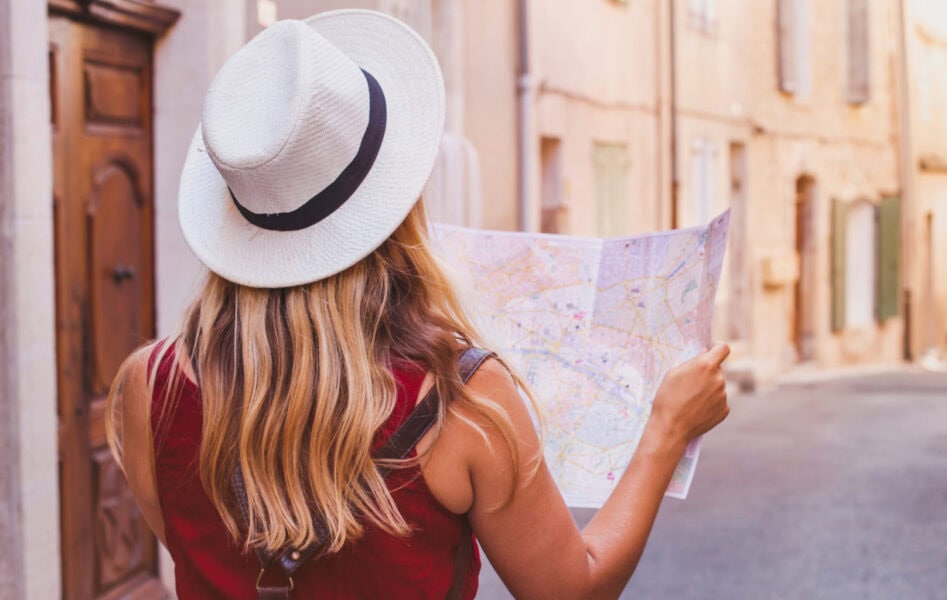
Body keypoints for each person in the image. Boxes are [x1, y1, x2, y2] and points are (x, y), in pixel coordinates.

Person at [106, 9, 730, 599]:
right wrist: (667, 430)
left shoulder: (148, 386)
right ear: (397, 206)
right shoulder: (458, 398)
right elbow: (572, 589)